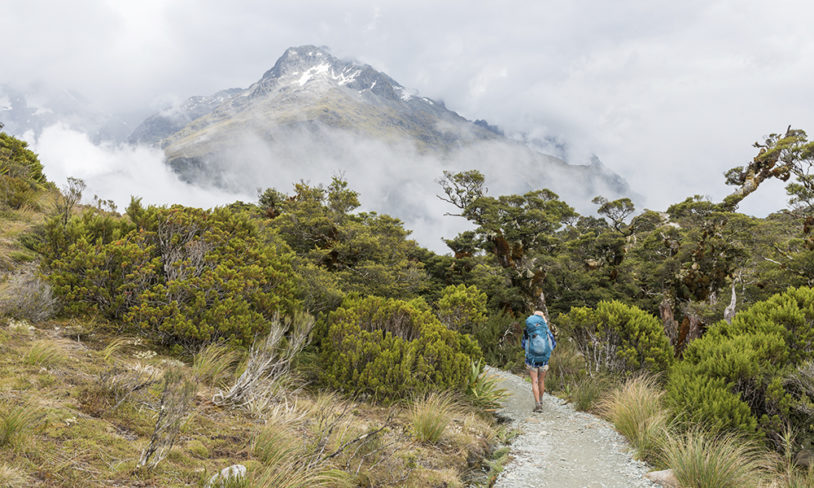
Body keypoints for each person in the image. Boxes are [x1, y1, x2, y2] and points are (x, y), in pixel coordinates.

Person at [522, 310, 556, 412]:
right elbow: (553, 344)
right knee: (541, 381)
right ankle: (541, 401)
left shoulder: (528, 330)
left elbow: (524, 345)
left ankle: (538, 405)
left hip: (531, 360)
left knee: (534, 381)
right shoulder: (546, 330)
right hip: (544, 361)